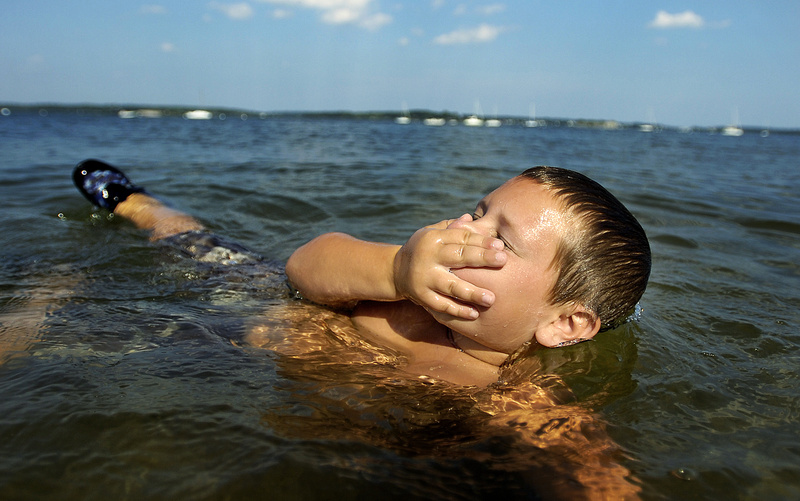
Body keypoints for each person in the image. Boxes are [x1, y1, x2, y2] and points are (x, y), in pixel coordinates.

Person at [73, 158, 650, 387]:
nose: (461, 226)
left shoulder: (512, 395)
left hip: (221, 351)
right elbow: (306, 266)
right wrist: (398, 269)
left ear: (566, 323)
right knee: (189, 243)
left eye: (497, 237)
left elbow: (583, 466)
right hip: (246, 291)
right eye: (477, 210)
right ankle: (141, 206)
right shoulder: (404, 290)